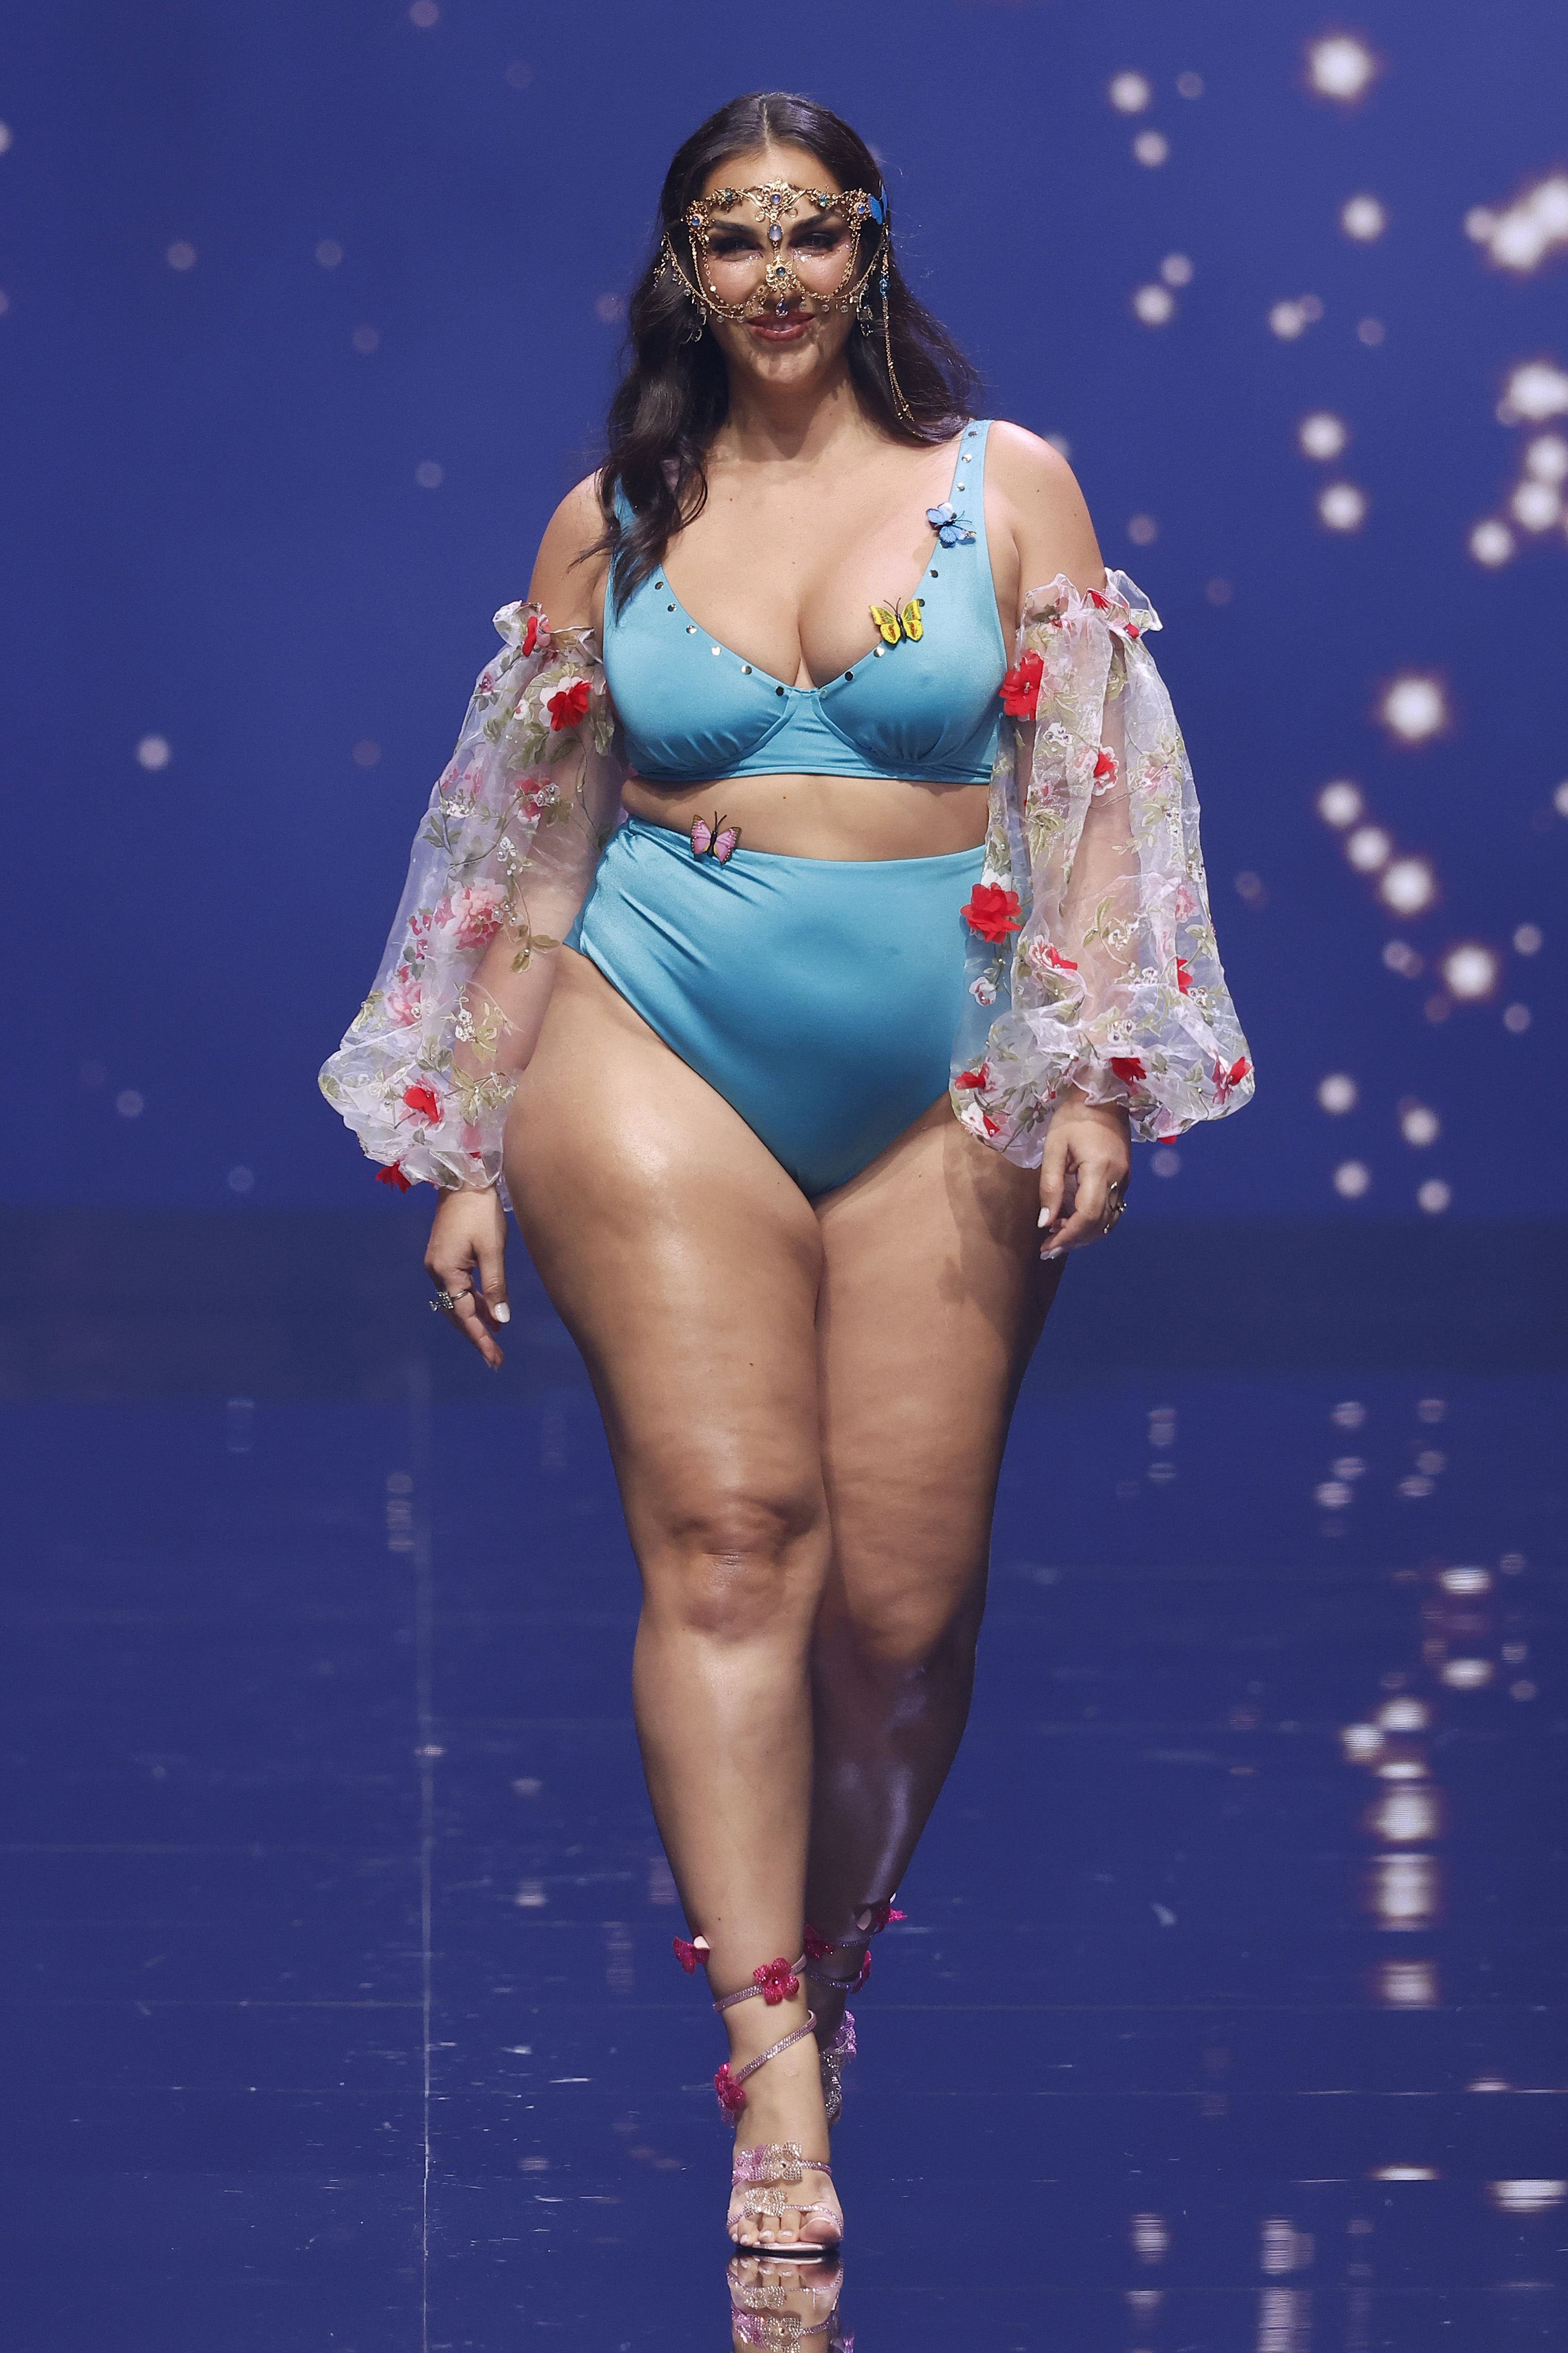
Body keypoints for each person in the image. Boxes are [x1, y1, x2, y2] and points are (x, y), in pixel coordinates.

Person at [321, 90, 1253, 2257]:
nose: (772, 274)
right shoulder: (613, 521)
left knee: (903, 1621)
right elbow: (530, 838)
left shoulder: (1004, 485)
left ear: (869, 247)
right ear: (683, 270)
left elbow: (1096, 791)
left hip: (951, 1062)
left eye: (808, 230)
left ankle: (824, 1968)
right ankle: (770, 2068)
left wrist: (1094, 1073)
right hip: (653, 1032)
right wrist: (465, 1136)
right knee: (736, 1540)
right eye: (729, 238)